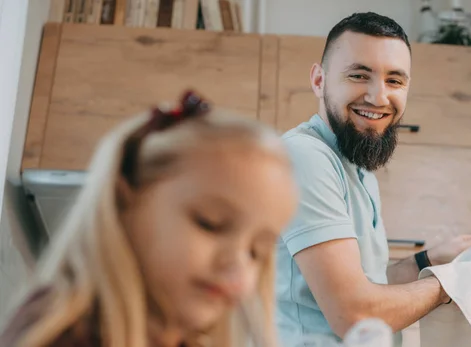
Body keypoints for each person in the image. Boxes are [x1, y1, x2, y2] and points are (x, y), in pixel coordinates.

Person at [0, 90, 298, 347]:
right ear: (124, 199)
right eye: (210, 223)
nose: (236, 263)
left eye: (256, 252)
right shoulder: (61, 333)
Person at [275, 12, 471, 345]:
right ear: (319, 80)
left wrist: (428, 261)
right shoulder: (306, 157)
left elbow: (366, 284)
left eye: (395, 80)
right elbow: (355, 313)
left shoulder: (357, 167)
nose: (378, 97)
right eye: (359, 75)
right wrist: (449, 284)